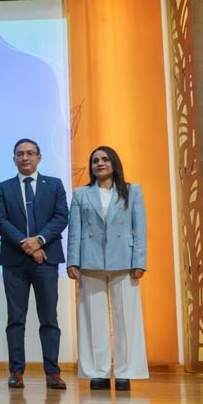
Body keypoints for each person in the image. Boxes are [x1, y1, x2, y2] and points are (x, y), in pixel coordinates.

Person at [67, 146, 148, 391]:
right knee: (93, 318)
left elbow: (140, 228)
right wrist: (72, 261)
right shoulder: (81, 194)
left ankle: (125, 372)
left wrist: (139, 261)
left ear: (114, 163)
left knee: (127, 318)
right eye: (95, 161)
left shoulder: (132, 191)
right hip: (90, 260)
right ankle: (97, 372)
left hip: (124, 260)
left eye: (104, 159)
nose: (99, 164)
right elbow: (75, 231)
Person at [0, 138, 69, 390]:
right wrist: (26, 245)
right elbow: (0, 222)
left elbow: (61, 217)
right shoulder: (3, 188)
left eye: (30, 153)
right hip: (14, 261)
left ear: (39, 157)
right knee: (16, 319)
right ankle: (16, 371)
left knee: (49, 318)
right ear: (14, 159)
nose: (25, 157)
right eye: (20, 154)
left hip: (46, 259)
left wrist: (39, 241)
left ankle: (53, 372)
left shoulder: (54, 185)